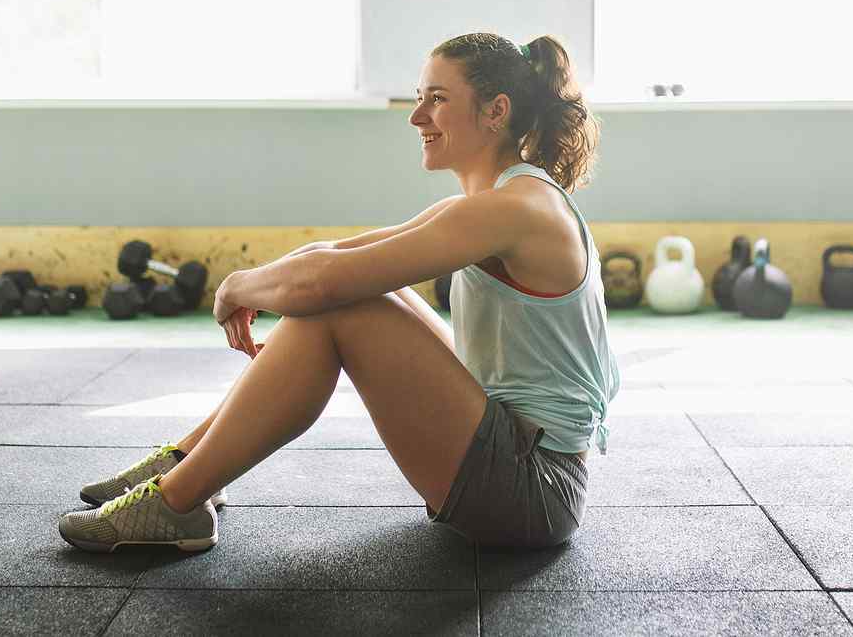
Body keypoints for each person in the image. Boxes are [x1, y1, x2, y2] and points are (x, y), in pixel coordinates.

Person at [59, 32, 620, 553]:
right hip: (518, 462)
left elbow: (324, 282)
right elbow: (337, 253)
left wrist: (238, 284)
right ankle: (185, 465)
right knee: (357, 293)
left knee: (339, 308)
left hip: (533, 492)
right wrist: (263, 282)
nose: (418, 116)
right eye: (418, 97)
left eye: (437, 99)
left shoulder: (512, 209)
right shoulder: (497, 200)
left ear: (495, 110)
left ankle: (178, 502)